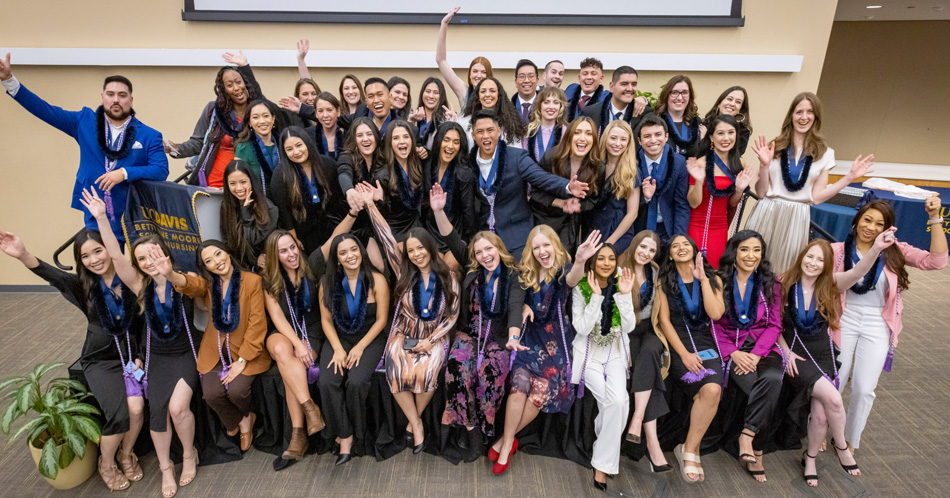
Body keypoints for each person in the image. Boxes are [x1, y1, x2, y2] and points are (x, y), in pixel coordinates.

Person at [0, 227, 146, 491]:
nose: (94, 259)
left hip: (129, 358)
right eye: (85, 256)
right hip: (100, 360)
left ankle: (127, 454)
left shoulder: (131, 279)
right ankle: (107, 463)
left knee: (137, 409)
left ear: (110, 249)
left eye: (98, 250)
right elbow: (53, 275)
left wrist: (139, 356)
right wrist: (23, 254)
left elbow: (141, 324)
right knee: (121, 414)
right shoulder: (84, 286)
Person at [81, 189, 200, 497]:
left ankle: (188, 455)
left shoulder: (180, 280)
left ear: (167, 254)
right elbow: (117, 257)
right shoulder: (139, 285)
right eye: (142, 258)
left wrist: (169, 273)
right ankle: (165, 469)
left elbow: (192, 287)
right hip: (156, 358)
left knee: (178, 408)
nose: (149, 262)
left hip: (184, 355)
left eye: (154, 255)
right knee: (157, 413)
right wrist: (101, 220)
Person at [0, 53, 168, 241]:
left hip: (134, 214)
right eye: (110, 94)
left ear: (131, 100)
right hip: (95, 209)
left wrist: (124, 173)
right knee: (101, 265)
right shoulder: (84, 121)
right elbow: (45, 110)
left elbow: (160, 170)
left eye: (122, 95)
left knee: (137, 267)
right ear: (102, 97)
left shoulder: (149, 135)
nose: (116, 100)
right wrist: (9, 80)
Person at [831, 198, 947, 452]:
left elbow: (937, 261)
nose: (871, 227)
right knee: (834, 384)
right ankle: (820, 430)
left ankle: (850, 440)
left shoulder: (895, 250)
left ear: (887, 228)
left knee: (864, 388)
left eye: (879, 224)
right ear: (857, 220)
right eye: (867, 220)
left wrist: (935, 217)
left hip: (878, 323)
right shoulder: (837, 250)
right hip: (843, 319)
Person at [778, 236, 894, 487]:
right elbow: (773, 325)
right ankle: (842, 446)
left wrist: (876, 248)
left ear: (826, 265)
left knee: (820, 416)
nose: (813, 262)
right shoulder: (784, 282)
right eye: (810, 256)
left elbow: (859, 271)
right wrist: (785, 352)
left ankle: (809, 459)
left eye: (820, 259)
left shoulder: (830, 284)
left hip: (824, 353)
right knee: (833, 399)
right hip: (797, 356)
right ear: (801, 257)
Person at [490, 228, 600, 474]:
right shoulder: (524, 273)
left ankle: (504, 442)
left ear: (555, 246)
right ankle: (508, 444)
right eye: (537, 247)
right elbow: (516, 304)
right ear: (531, 250)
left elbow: (572, 280)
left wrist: (581, 259)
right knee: (518, 388)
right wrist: (514, 336)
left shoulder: (563, 270)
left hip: (557, 344)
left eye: (546, 245)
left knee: (538, 393)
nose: (542, 251)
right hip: (530, 340)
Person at [363, 190, 461, 455]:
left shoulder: (448, 277)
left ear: (430, 247)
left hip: (435, 333)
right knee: (395, 362)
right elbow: (386, 239)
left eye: (420, 248)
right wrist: (371, 205)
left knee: (430, 368)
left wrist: (431, 339)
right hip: (405, 331)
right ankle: (416, 424)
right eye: (411, 250)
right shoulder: (403, 271)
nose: (417, 254)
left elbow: (452, 315)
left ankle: (412, 419)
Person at [431, 186, 524, 448]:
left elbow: (516, 307)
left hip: (498, 339)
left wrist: (514, 336)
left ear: (498, 248)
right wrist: (438, 211)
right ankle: (469, 427)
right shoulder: (474, 270)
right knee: (458, 369)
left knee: (489, 376)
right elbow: (451, 238)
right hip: (468, 334)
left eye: (489, 250)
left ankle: (486, 429)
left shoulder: (514, 276)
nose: (485, 256)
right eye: (479, 252)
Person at [746, 92, 874, 273]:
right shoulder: (775, 146)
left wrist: (849, 178)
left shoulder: (825, 153)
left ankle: (776, 302)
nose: (804, 117)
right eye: (799, 112)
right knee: (753, 263)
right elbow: (760, 193)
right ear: (791, 115)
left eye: (809, 112)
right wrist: (764, 165)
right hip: (768, 210)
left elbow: (817, 197)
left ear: (816, 116)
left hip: (797, 216)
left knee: (784, 271)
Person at [161, 240, 270, 452]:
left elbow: (257, 324)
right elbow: (190, 285)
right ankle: (238, 421)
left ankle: (246, 418)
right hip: (216, 353)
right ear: (206, 268)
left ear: (228, 252)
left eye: (218, 254)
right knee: (211, 394)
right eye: (208, 261)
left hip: (245, 353)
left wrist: (242, 361)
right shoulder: (210, 285)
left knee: (238, 391)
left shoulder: (252, 281)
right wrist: (170, 274)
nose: (217, 262)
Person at [711, 231, 784, 482]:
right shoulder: (719, 281)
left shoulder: (770, 283)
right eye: (744, 249)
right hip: (732, 347)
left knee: (774, 378)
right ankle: (758, 450)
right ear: (734, 252)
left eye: (756, 250)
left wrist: (755, 355)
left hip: (763, 349)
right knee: (764, 392)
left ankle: (748, 437)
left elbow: (774, 325)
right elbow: (713, 324)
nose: (751, 256)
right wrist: (732, 353)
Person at [466, 110, 588, 256]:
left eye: (490, 130)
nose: (485, 136)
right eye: (480, 132)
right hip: (485, 236)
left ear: (499, 132)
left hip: (517, 234)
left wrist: (567, 186)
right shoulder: (468, 163)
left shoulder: (517, 157)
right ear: (473, 135)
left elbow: (541, 177)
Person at [655, 234, 724, 484]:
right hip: (678, 345)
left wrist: (703, 279)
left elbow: (715, 314)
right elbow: (664, 321)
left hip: (705, 343)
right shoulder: (663, 281)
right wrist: (683, 354)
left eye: (686, 244)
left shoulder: (713, 278)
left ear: (696, 251)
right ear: (670, 255)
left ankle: (689, 449)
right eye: (675, 246)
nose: (681, 248)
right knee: (703, 393)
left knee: (712, 389)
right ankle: (691, 452)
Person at [318, 232, 390, 466]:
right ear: (337, 259)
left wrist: (359, 348)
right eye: (343, 253)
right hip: (339, 337)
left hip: (369, 337)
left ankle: (358, 434)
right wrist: (338, 349)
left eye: (354, 250)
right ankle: (344, 436)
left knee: (356, 382)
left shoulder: (377, 280)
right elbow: (326, 321)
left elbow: (381, 321)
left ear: (361, 252)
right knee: (327, 382)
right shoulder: (326, 283)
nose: (350, 255)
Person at [571, 243, 637, 491]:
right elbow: (582, 328)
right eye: (601, 259)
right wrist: (596, 298)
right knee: (613, 405)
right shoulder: (581, 288)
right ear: (593, 262)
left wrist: (624, 295)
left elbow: (628, 326)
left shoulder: (622, 284)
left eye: (611, 258)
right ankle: (602, 465)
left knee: (619, 402)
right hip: (589, 355)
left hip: (615, 353)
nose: (607, 263)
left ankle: (602, 451)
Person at [261, 230, 328, 462]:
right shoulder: (269, 278)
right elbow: (277, 318)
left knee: (289, 366)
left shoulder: (312, 266)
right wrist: (297, 344)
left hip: (311, 331)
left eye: (292, 247)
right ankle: (310, 408)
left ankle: (298, 435)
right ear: (274, 255)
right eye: (283, 251)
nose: (291, 254)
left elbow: (334, 239)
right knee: (282, 350)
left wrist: (354, 210)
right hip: (282, 332)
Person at [169, 51, 263, 188]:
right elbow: (198, 143)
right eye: (230, 85)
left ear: (246, 83)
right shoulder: (213, 110)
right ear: (224, 90)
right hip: (215, 183)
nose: (236, 88)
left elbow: (260, 97)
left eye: (238, 82)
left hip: (248, 185)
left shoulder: (258, 111)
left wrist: (245, 66)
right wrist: (176, 148)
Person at [618, 230, 670, 472]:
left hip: (651, 330)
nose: (646, 253)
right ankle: (653, 443)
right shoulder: (618, 266)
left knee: (650, 352)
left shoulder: (655, 271)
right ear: (634, 244)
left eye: (652, 250)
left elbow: (660, 313)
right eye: (643, 247)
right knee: (645, 368)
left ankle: (637, 421)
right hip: (626, 331)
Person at [685, 114, 755, 268]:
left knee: (716, 273)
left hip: (720, 228)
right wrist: (698, 180)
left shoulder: (739, 163)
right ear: (711, 137)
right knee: (693, 270)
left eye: (731, 132)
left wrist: (739, 190)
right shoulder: (700, 163)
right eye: (720, 133)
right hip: (697, 225)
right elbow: (694, 203)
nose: (726, 138)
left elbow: (732, 203)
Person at [530, 116, 604, 253]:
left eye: (588, 134)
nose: (582, 138)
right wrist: (561, 203)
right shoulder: (551, 157)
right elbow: (535, 192)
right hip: (544, 219)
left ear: (594, 140)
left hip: (570, 226)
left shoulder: (598, 167)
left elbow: (593, 199)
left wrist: (577, 205)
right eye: (577, 132)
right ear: (569, 136)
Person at [270, 127, 342, 253]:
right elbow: (284, 211)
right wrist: (293, 238)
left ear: (307, 143)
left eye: (299, 145)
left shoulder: (328, 164)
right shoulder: (280, 175)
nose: (296, 152)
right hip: (303, 233)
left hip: (331, 226)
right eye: (289, 149)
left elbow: (338, 200)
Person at [583, 120, 640, 253]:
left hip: (618, 233)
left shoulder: (633, 171)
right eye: (613, 138)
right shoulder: (594, 165)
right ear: (605, 138)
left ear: (628, 143)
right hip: (593, 228)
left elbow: (632, 213)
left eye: (623, 139)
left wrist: (610, 242)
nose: (617, 143)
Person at [421, 122, 476, 262]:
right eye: (446, 140)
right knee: (435, 267)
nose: (450, 146)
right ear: (439, 141)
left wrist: (467, 240)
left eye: (456, 142)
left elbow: (468, 211)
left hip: (455, 233)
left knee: (450, 267)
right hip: (432, 232)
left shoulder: (464, 172)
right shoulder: (427, 165)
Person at [632, 114, 690, 243]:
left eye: (658, 134)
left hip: (667, 227)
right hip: (638, 227)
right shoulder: (632, 163)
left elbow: (682, 205)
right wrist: (646, 198)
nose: (653, 140)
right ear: (640, 141)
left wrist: (678, 238)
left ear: (666, 137)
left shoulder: (679, 163)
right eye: (647, 136)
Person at [219, 160, 279, 273]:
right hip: (238, 265)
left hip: (263, 266)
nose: (239, 188)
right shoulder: (226, 206)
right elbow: (227, 239)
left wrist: (245, 211)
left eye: (243, 182)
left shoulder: (269, 208)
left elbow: (253, 240)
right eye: (232, 184)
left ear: (251, 181)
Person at [374, 121, 426, 242]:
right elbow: (382, 216)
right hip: (394, 231)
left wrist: (426, 151)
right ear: (390, 143)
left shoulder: (418, 165)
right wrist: (380, 201)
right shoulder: (383, 175)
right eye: (396, 138)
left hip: (417, 226)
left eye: (406, 136)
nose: (402, 141)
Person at [437, 7, 493, 107]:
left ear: (489, 75)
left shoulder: (495, 95)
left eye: (483, 72)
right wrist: (444, 24)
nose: (478, 75)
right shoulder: (464, 92)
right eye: (475, 71)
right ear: (470, 75)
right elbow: (441, 61)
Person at [293, 39, 364, 117]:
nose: (350, 91)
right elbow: (307, 85)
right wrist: (301, 60)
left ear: (360, 89)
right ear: (342, 92)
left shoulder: (367, 109)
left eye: (354, 87)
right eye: (346, 88)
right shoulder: (336, 111)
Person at [456, 77, 527, 150]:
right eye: (483, 91)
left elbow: (516, 152)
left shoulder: (510, 124)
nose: (487, 94)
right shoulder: (466, 124)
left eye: (492, 91)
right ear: (478, 96)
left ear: (498, 95)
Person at [581, 66, 650, 137]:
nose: (630, 88)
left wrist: (644, 100)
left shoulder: (643, 114)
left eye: (634, 84)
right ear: (612, 86)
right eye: (624, 84)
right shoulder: (591, 112)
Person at [234, 99, 286, 193]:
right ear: (249, 122)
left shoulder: (284, 145)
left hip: (285, 200)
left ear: (273, 119)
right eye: (255, 117)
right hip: (259, 203)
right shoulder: (243, 147)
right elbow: (238, 181)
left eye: (266, 116)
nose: (262, 121)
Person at [654, 75, 704, 157]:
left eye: (684, 92)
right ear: (667, 95)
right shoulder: (656, 121)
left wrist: (703, 140)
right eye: (674, 92)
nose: (680, 98)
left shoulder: (697, 123)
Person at [522, 86, 568, 163]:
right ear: (540, 105)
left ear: (561, 106)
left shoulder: (566, 132)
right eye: (546, 102)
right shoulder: (528, 131)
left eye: (556, 102)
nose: (551, 107)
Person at [703, 86, 753, 155]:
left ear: (740, 110)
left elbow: (733, 157)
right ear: (719, 103)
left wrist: (704, 139)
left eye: (738, 102)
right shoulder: (704, 124)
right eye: (729, 99)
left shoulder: (743, 132)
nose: (732, 104)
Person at [408, 77, 449, 149]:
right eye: (428, 91)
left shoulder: (446, 119)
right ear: (422, 94)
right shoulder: (413, 115)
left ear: (441, 96)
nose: (431, 96)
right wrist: (411, 121)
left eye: (436, 93)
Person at [307, 92, 345, 160]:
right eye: (320, 111)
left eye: (329, 110)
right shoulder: (308, 135)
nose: (325, 115)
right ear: (316, 113)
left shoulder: (347, 135)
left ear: (338, 111)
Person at [512, 59, 539, 124]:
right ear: (516, 82)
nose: (526, 80)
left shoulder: (545, 107)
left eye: (531, 76)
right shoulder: (507, 108)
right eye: (522, 76)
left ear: (537, 80)